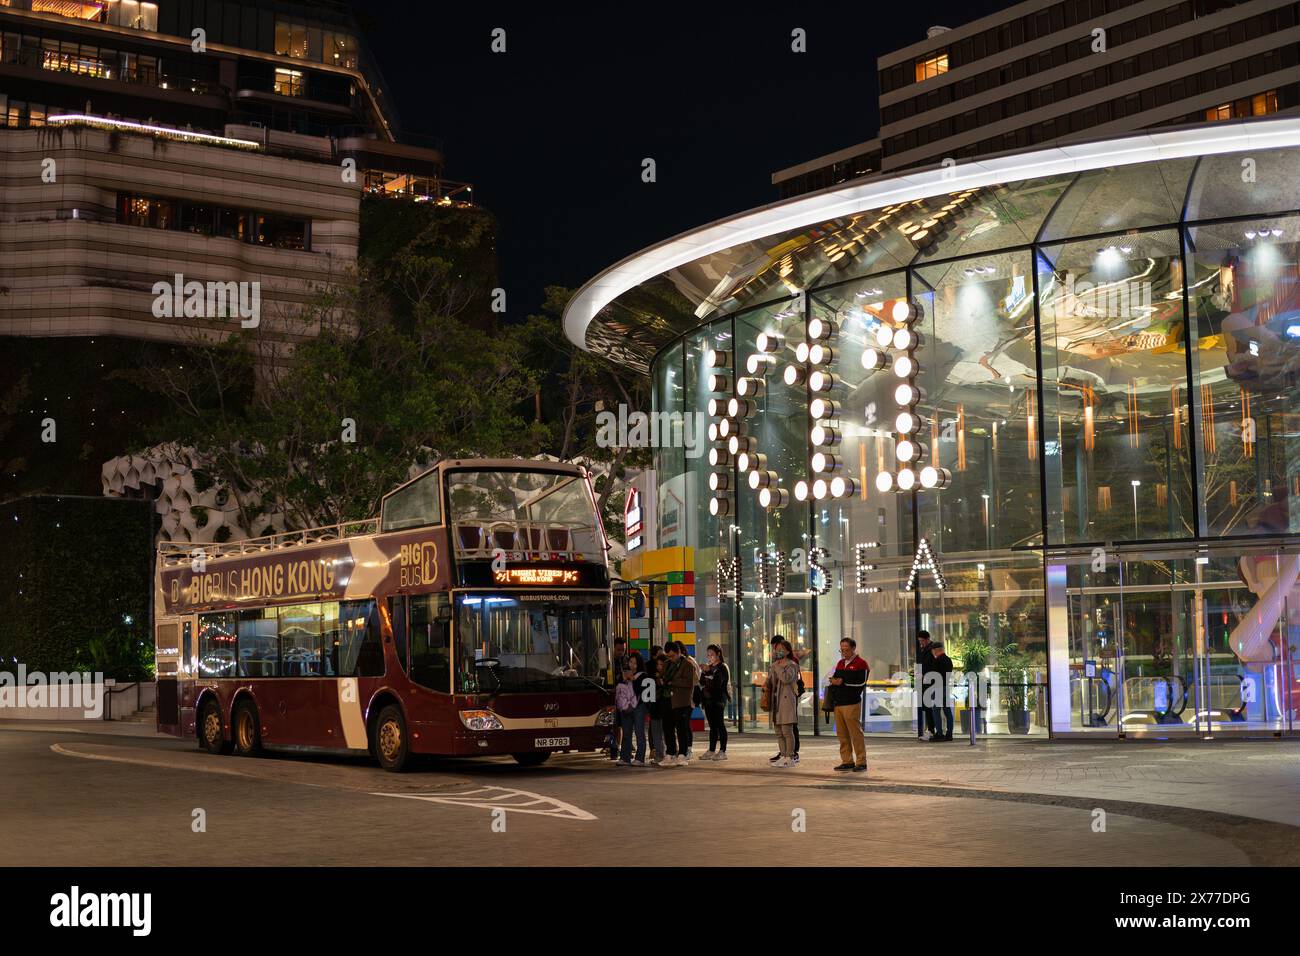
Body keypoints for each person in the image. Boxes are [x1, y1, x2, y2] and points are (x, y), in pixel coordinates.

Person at [828, 637, 869, 772]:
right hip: (839, 703)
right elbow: (836, 677)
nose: (843, 652)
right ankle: (847, 760)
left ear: (853, 648)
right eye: (842, 649)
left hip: (852, 703)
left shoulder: (861, 664)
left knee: (855, 733)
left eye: (846, 649)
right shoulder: (840, 663)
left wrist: (842, 682)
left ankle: (861, 761)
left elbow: (861, 683)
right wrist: (833, 681)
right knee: (842, 734)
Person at [767, 634, 802, 764]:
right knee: (778, 731)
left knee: (787, 730)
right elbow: (772, 681)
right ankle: (783, 755)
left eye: (781, 649)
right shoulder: (775, 664)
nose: (778, 651)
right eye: (777, 649)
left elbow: (786, 679)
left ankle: (790, 755)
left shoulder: (792, 665)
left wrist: (777, 667)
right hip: (776, 700)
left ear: (787, 651)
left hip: (787, 700)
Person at [666, 641, 700, 765]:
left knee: (683, 727)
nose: (670, 658)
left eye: (672, 656)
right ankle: (672, 753)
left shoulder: (688, 663)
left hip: (684, 700)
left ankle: (684, 752)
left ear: (679, 652)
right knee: (671, 727)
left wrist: (673, 682)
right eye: (668, 656)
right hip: (671, 700)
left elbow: (691, 682)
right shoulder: (668, 664)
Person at [698, 644, 730, 760]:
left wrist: (709, 673)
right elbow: (701, 682)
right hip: (708, 700)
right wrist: (704, 672)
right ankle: (711, 750)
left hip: (718, 700)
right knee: (712, 726)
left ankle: (722, 750)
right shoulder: (709, 667)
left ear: (718, 654)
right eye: (708, 655)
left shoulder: (722, 667)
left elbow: (719, 683)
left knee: (720, 724)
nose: (710, 657)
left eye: (712, 654)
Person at [617, 653, 648, 766]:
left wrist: (633, 679)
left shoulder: (643, 676)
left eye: (635, 663)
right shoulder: (624, 674)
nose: (632, 665)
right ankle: (625, 757)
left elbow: (640, 691)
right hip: (625, 706)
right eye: (630, 662)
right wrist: (624, 679)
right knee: (626, 732)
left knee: (639, 732)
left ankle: (640, 758)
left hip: (638, 706)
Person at [928, 641, 954, 741]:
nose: (933, 653)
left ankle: (939, 733)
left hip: (937, 688)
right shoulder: (948, 660)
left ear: (936, 650)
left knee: (936, 711)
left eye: (933, 651)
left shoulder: (937, 661)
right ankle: (949, 733)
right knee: (947, 711)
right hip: (946, 687)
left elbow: (933, 676)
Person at [608, 637, 628, 759]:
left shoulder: (626, 661)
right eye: (619, 649)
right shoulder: (608, 661)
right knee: (612, 724)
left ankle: (618, 747)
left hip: (623, 697)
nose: (621, 652)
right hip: (610, 695)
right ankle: (612, 747)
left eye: (623, 650)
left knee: (620, 724)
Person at [647, 654, 669, 765]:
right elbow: (649, 695)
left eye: (662, 664)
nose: (659, 667)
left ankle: (668, 754)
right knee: (656, 733)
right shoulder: (653, 678)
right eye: (658, 664)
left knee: (665, 733)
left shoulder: (668, 677)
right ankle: (659, 755)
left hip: (664, 709)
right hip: (655, 709)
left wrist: (662, 682)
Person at [916, 630, 936, 739]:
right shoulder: (923, 649)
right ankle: (930, 730)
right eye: (920, 641)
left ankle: (932, 731)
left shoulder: (932, 650)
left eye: (922, 641)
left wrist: (925, 674)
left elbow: (932, 666)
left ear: (928, 639)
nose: (921, 643)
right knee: (927, 707)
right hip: (925, 681)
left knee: (930, 707)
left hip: (930, 681)